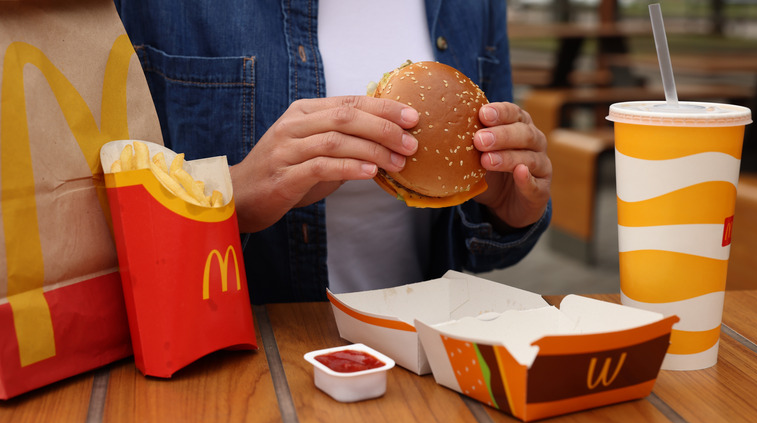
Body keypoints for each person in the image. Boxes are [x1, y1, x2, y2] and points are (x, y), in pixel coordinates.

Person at [113, 0, 552, 303]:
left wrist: (504, 213)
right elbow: (86, 222)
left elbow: (478, 249)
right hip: (238, 358)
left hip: (418, 353)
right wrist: (231, 199)